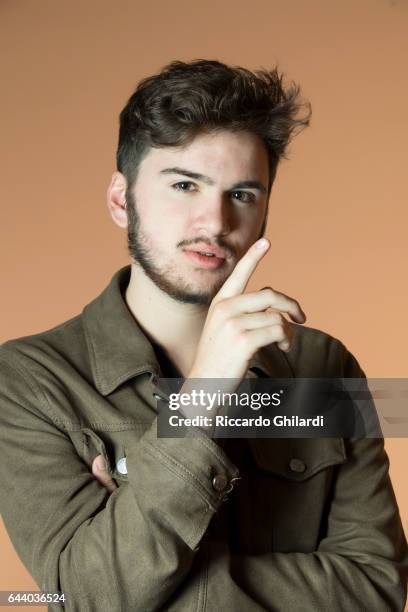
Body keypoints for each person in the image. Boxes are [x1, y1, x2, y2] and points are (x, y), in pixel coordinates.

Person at [0, 59, 406, 611]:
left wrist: (154, 578)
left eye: (242, 194)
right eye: (185, 185)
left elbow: (378, 590)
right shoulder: (26, 381)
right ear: (122, 200)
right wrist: (201, 397)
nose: (214, 222)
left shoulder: (325, 364)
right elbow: (85, 599)